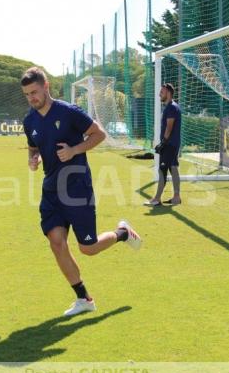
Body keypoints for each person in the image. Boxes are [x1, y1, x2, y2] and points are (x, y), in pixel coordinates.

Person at [21, 67, 142, 317]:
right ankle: (84, 298)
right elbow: (33, 148)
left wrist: (74, 150)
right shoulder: (29, 120)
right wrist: (33, 160)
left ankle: (122, 233)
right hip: (51, 189)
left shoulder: (68, 112)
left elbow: (99, 134)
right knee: (56, 242)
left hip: (77, 188)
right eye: (27, 94)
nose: (31, 98)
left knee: (88, 248)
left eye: (34, 92)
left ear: (46, 87)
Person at [144, 83, 182, 206]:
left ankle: (157, 199)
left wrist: (163, 143)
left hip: (169, 145)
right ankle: (176, 198)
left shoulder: (171, 107)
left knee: (162, 170)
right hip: (173, 144)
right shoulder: (172, 107)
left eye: (162, 92)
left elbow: (169, 127)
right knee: (173, 168)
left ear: (169, 93)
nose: (160, 94)